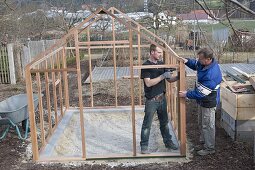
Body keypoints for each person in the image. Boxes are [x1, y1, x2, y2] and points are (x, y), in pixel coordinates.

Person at [179, 47, 222, 156]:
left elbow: (200, 93)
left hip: (208, 102)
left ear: (208, 59)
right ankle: (204, 143)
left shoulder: (211, 74)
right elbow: (196, 64)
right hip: (202, 101)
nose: (199, 60)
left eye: (200, 59)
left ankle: (209, 148)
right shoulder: (203, 64)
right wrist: (187, 61)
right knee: (201, 123)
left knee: (208, 125)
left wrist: (186, 94)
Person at [140, 44, 179, 154]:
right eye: (159, 52)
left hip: (162, 98)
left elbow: (169, 79)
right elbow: (148, 83)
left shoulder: (162, 64)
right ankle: (144, 147)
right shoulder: (146, 66)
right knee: (147, 124)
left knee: (164, 123)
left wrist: (178, 77)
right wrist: (162, 76)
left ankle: (168, 142)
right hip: (151, 100)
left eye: (161, 52)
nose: (161, 54)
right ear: (152, 52)